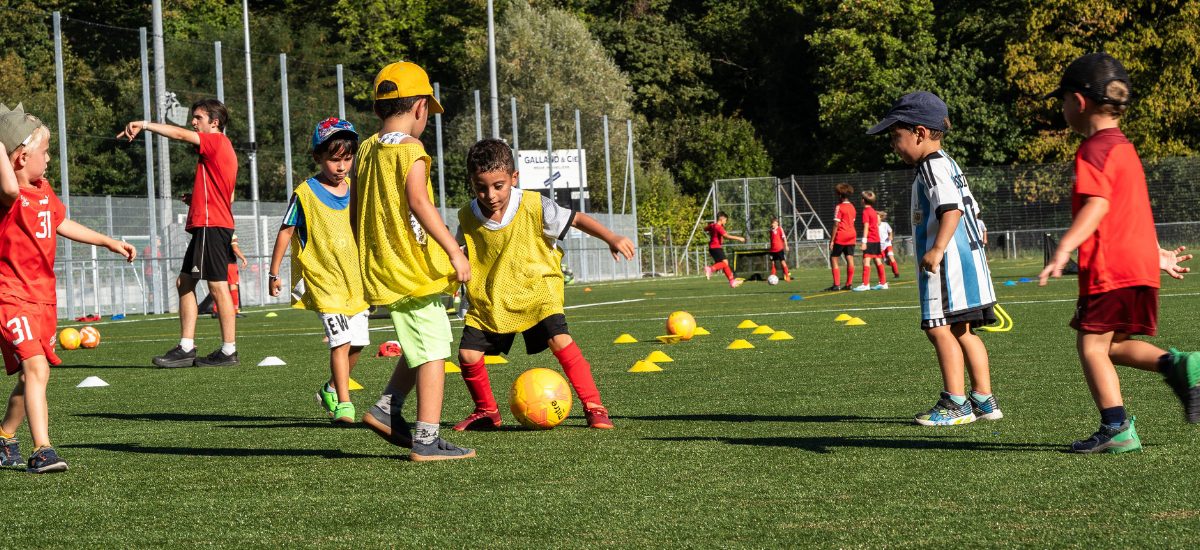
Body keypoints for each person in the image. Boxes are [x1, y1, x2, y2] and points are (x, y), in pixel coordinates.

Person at [1038, 53, 1199, 453]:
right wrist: (1155, 254)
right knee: (1113, 345)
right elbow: (1133, 211)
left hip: (1109, 269)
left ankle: (1116, 428)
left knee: (1091, 346)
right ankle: (1179, 365)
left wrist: (1064, 246)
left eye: (1062, 101)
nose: (1062, 109)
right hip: (1138, 268)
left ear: (1078, 102)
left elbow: (1098, 206)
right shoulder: (1124, 147)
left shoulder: (1092, 150)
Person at [452, 139, 635, 431]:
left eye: (498, 186)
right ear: (472, 184)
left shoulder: (536, 205)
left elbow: (576, 220)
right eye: (481, 188)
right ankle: (486, 411)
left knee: (560, 340)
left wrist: (611, 237)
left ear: (514, 178)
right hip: (493, 298)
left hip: (539, 291)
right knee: (467, 354)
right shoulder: (467, 216)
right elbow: (456, 248)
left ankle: (594, 406)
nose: (490, 195)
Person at [0, 104, 135, 473]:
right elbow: (10, 185)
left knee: (31, 375)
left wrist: (108, 242)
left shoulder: (43, 191)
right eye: (43, 153)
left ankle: (4, 437)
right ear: (21, 157)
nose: (48, 159)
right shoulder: (7, 197)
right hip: (10, 297)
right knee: (36, 369)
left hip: (43, 299)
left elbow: (63, 223)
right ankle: (42, 449)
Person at [353, 61, 475, 461]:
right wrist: (454, 250)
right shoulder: (412, 150)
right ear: (421, 107)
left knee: (417, 343)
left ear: (377, 109)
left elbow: (355, 209)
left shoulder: (366, 150)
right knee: (436, 348)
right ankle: (426, 438)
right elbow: (420, 203)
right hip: (409, 268)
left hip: (382, 265)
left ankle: (386, 409)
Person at [866, 91, 1001, 426]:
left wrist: (938, 248)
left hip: (947, 265)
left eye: (896, 137)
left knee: (937, 327)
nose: (894, 145)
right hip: (968, 263)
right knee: (963, 330)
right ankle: (984, 400)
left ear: (920, 133)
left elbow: (951, 209)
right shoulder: (949, 164)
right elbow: (972, 209)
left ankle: (956, 404)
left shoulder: (930, 167)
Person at [119, 99, 240, 368]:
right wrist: (196, 199)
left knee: (217, 285)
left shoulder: (217, 141)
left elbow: (179, 134)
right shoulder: (223, 150)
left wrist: (144, 124)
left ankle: (228, 350)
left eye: (198, 118)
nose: (193, 122)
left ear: (215, 122)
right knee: (184, 283)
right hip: (211, 224)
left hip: (211, 226)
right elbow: (223, 194)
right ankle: (187, 347)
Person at [268, 117, 369, 425]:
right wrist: (274, 274)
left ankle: (330, 389)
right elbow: (286, 231)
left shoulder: (357, 189)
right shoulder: (305, 193)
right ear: (318, 157)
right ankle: (344, 404)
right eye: (334, 159)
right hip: (324, 282)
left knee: (359, 343)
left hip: (355, 281)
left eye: (347, 159)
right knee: (340, 342)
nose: (341, 166)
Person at [826, 183, 857, 291]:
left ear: (840, 195)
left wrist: (832, 240)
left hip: (842, 235)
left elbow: (836, 224)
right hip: (852, 234)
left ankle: (836, 284)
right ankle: (849, 284)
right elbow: (852, 221)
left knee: (834, 258)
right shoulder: (852, 207)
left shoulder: (839, 207)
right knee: (849, 257)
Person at [854, 190, 888, 291]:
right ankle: (883, 283)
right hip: (876, 239)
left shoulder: (866, 211)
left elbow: (866, 226)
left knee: (866, 260)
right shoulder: (874, 211)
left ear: (863, 200)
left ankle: (865, 284)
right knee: (878, 260)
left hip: (870, 239)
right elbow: (877, 224)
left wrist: (864, 241)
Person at [703, 212, 746, 288]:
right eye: (725, 220)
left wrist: (711, 231)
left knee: (724, 264)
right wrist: (739, 238)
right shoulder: (719, 227)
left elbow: (705, 228)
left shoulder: (713, 225)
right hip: (716, 247)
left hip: (712, 248)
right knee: (725, 263)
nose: (725, 222)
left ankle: (732, 281)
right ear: (721, 218)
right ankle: (710, 269)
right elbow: (726, 236)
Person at [212, 233, 247, 318]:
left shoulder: (215, 234)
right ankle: (235, 311)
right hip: (229, 264)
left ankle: (215, 311)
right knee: (233, 287)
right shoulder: (231, 235)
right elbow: (234, 249)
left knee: (220, 287)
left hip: (217, 263)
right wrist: (243, 258)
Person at [878, 211, 901, 278]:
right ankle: (892, 266)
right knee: (885, 261)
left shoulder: (885, 224)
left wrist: (890, 236)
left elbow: (890, 231)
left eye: (878, 217)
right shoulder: (874, 226)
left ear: (880, 218)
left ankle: (896, 273)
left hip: (887, 244)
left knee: (891, 257)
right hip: (880, 246)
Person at [767, 217, 790, 282]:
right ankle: (772, 278)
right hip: (772, 250)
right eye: (772, 223)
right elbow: (771, 240)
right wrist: (770, 248)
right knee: (773, 264)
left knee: (783, 262)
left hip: (779, 249)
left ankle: (787, 276)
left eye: (774, 223)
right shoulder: (770, 230)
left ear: (777, 223)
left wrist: (786, 246)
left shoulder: (780, 229)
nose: (773, 224)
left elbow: (784, 237)